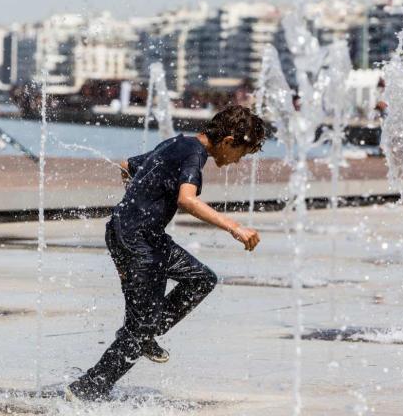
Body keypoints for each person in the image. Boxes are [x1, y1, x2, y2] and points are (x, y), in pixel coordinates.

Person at [65, 105, 269, 402]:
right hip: (138, 241)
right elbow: (187, 200)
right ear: (228, 142)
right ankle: (89, 387)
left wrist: (137, 206)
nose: (238, 161)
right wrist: (234, 227)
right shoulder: (193, 154)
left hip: (139, 236)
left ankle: (144, 334)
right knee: (141, 326)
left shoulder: (177, 143)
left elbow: (127, 166)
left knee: (201, 279)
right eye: (242, 153)